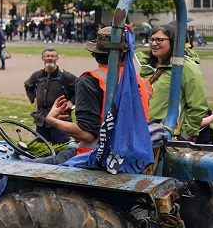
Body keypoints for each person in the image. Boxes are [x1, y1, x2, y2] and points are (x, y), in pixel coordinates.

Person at [46, 27, 152, 158]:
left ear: (96, 54)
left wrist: (53, 120)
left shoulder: (90, 81)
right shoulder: (142, 83)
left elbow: (88, 134)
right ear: (126, 54)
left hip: (97, 159)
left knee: (32, 167)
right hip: (135, 156)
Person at [138, 24, 210, 142]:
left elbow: (198, 106)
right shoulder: (147, 66)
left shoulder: (187, 68)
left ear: (173, 42)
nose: (154, 43)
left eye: (160, 40)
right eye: (152, 39)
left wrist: (185, 135)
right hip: (145, 133)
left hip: (169, 135)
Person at [24, 48, 78, 145]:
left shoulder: (65, 76)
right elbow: (28, 86)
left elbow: (81, 89)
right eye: (47, 56)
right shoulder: (37, 75)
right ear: (42, 58)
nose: (50, 58)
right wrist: (34, 99)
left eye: (52, 56)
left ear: (57, 58)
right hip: (41, 120)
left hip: (60, 120)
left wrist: (72, 102)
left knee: (60, 149)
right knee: (41, 149)